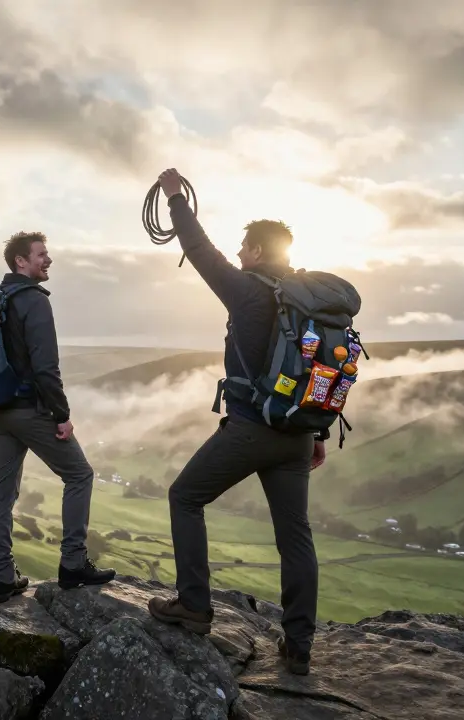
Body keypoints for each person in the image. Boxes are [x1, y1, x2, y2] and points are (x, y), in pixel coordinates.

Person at [146, 168, 327, 676]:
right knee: (295, 536)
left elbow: (200, 250)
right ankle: (298, 647)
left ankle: (195, 607)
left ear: (253, 251)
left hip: (250, 429)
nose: (239, 254)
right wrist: (316, 433)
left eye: (243, 248)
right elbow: (316, 367)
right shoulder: (306, 301)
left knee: (184, 497)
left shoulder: (247, 290)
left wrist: (177, 199)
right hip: (295, 435)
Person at [0, 231, 116, 603]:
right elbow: (46, 367)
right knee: (80, 474)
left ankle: (3, 577)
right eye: (41, 254)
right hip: (30, 410)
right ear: (20, 262)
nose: (49, 260)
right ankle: (73, 563)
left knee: (3, 492)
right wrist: (62, 414)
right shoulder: (33, 301)